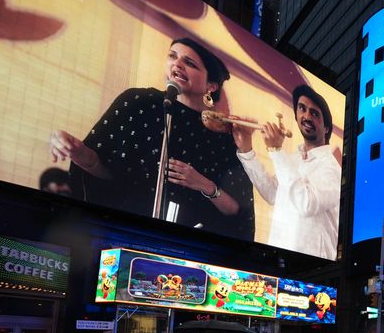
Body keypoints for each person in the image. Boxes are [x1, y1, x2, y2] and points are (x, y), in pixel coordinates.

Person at [50, 37, 254, 239]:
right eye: (173, 56)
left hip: (187, 243)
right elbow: (105, 170)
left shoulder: (223, 135)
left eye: (190, 63)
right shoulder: (138, 102)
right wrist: (78, 152)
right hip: (122, 231)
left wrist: (204, 185)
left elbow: (238, 212)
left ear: (211, 86)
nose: (178, 64)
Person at [235, 84, 340, 259]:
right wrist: (246, 150)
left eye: (315, 113)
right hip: (277, 255)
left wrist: (276, 150)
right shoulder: (292, 159)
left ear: (327, 128)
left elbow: (307, 203)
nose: (306, 116)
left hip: (312, 265)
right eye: (302, 109)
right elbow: (272, 194)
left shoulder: (332, 167)